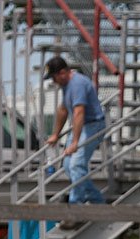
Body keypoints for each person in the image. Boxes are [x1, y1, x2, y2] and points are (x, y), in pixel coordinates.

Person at [44, 56, 105, 206]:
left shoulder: (77, 84)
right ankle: (97, 201)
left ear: (63, 72)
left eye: (54, 77)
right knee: (67, 165)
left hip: (92, 125)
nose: (53, 81)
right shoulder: (66, 86)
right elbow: (63, 110)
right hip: (82, 126)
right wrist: (55, 135)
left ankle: (75, 205)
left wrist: (75, 142)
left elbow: (79, 113)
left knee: (77, 165)